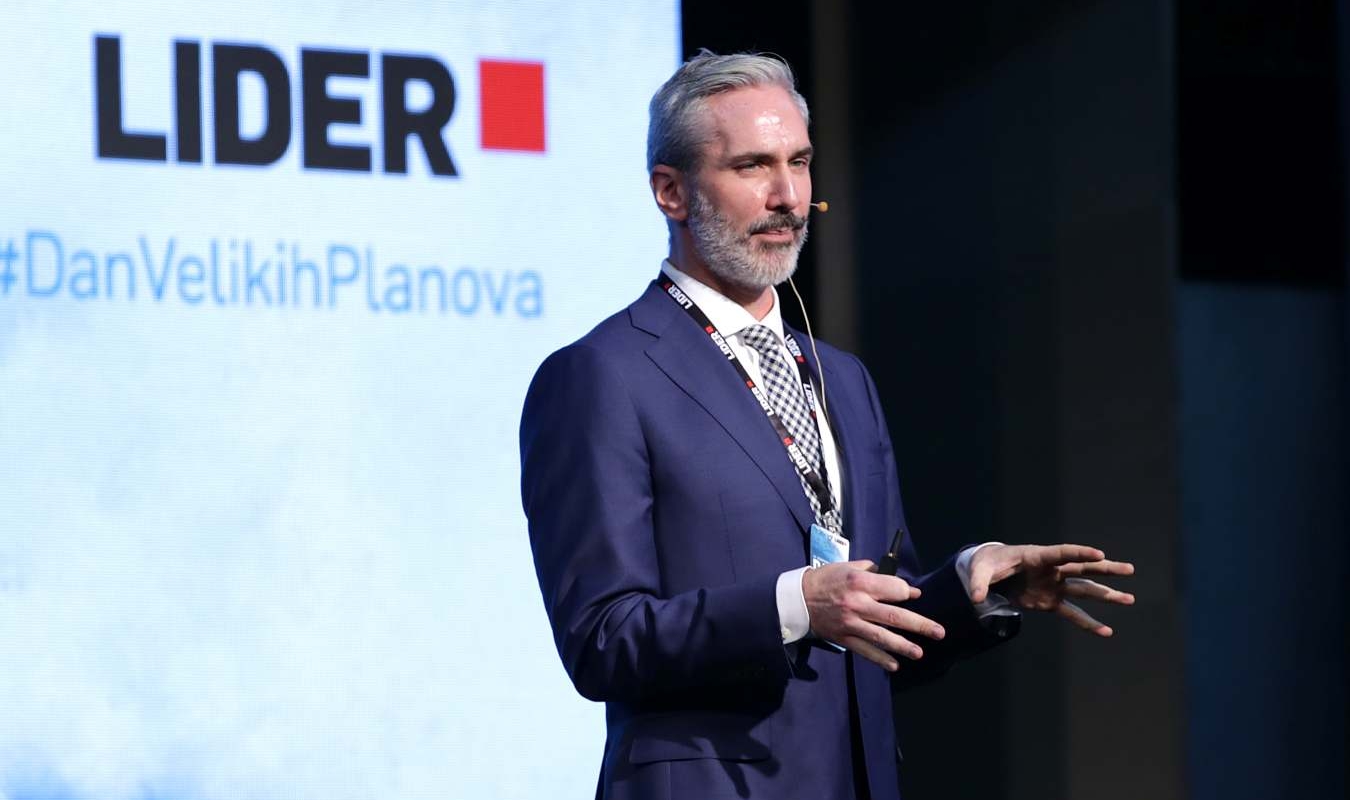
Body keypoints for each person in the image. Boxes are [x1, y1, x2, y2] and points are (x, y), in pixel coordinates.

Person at [519, 51, 1135, 800]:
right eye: (752, 166)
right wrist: (794, 605)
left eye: (800, 162)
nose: (787, 196)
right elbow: (602, 639)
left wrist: (966, 587)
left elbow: (875, 615)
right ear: (671, 191)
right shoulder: (601, 376)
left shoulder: (843, 378)